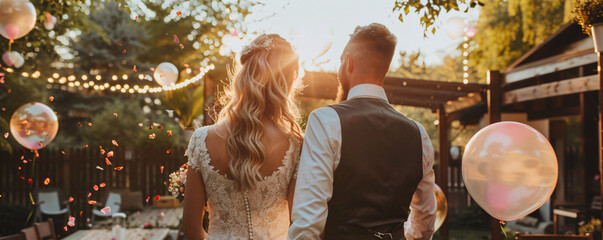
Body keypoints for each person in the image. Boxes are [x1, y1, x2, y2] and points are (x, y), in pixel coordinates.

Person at [288, 23, 437, 240]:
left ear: (348, 62)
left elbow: (307, 223)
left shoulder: (325, 120)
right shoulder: (419, 133)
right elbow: (425, 221)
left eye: (340, 61)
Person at [182, 34, 303, 240]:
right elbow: (299, 222)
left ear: (244, 76)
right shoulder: (296, 143)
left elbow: (192, 229)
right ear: (287, 82)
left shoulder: (202, 139)